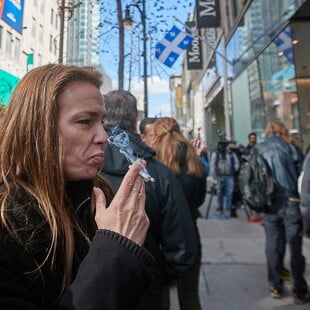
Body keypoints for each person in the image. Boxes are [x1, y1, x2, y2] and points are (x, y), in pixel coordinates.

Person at [0, 64, 154, 309]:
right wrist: (116, 251)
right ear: (37, 128)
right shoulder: (7, 225)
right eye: (84, 121)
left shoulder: (99, 198)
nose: (103, 136)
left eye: (101, 121)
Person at [101, 90, 199, 310]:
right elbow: (182, 246)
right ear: (135, 120)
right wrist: (158, 277)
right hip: (146, 289)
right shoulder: (159, 173)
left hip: (87, 291)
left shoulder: (80, 168)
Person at [149, 117, 206, 310]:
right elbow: (200, 199)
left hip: (159, 241)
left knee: (161, 299)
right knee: (190, 297)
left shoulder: (152, 163)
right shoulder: (194, 160)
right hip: (189, 236)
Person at [256, 120, 308, 305]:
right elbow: (302, 176)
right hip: (291, 200)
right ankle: (299, 289)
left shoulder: (259, 149)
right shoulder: (291, 148)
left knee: (272, 243)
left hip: (270, 204)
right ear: (282, 131)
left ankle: (275, 284)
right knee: (295, 246)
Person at [210, 139, 240, 218]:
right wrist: (213, 173)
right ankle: (220, 206)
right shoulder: (216, 154)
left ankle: (228, 206)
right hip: (219, 175)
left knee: (229, 192)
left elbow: (236, 162)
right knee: (219, 191)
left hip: (229, 175)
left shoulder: (231, 154)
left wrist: (235, 169)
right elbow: (212, 163)